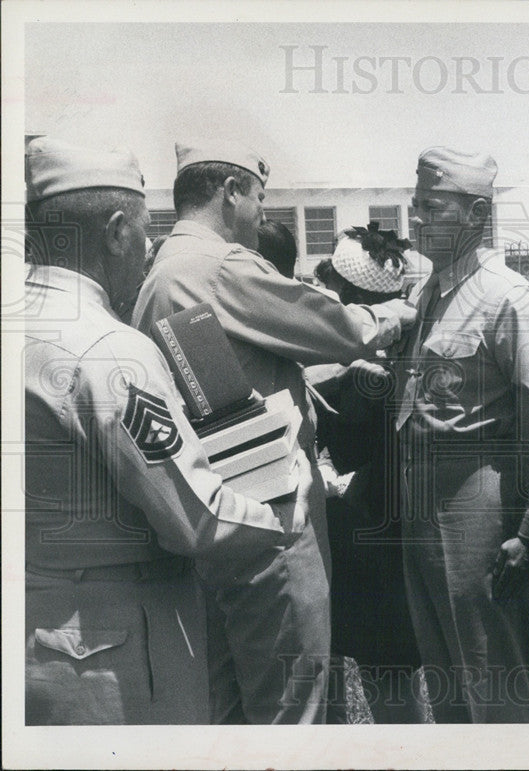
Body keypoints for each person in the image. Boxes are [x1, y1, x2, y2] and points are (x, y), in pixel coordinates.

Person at [22, 137, 310, 725]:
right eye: (142, 226)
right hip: (117, 650)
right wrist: (288, 508)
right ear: (115, 232)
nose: (150, 243)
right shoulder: (109, 350)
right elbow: (195, 520)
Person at [131, 141, 416, 724]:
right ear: (231, 192)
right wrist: (398, 314)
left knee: (233, 706)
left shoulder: (166, 270)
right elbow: (335, 324)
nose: (264, 213)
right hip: (272, 518)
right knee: (296, 705)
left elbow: (218, 389)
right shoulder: (221, 265)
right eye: (260, 197)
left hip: (221, 513)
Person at [396, 147, 529, 722]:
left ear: (474, 217)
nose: (415, 218)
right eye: (415, 205)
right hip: (421, 500)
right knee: (445, 675)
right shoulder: (432, 292)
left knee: (494, 676)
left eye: (432, 207)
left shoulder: (507, 295)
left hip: (478, 499)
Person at [305, 224, 425, 724]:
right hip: (391, 521)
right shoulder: (405, 354)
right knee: (390, 666)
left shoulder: (351, 371)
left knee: (381, 666)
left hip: (363, 520)